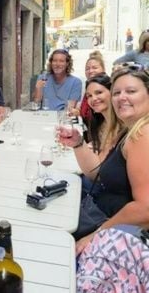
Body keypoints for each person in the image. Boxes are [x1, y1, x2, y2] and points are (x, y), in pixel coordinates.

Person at [60, 67, 149, 254]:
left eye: (131, 91)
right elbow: (98, 175)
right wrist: (78, 144)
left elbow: (145, 209)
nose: (122, 97)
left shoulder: (143, 134)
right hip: (100, 217)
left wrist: (96, 235)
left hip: (114, 233)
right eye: (117, 93)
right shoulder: (128, 131)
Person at [73, 51, 107, 120]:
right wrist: (77, 112)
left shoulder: (108, 86)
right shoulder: (87, 87)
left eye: (95, 68)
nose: (90, 71)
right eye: (87, 69)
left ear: (103, 69)